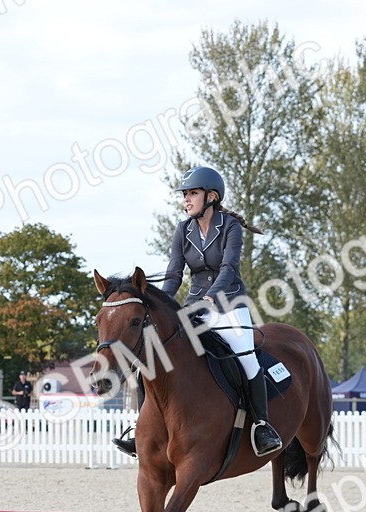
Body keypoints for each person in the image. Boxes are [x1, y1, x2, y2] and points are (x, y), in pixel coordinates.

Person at [111, 166, 281, 458]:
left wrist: (212, 296)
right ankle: (142, 429)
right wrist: (160, 303)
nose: (186, 199)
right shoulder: (183, 229)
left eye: (192, 193)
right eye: (185, 194)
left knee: (246, 357)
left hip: (229, 303)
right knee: (151, 357)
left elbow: (229, 268)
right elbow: (174, 274)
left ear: (211, 197)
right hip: (194, 306)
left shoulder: (230, 227)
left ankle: (262, 426)